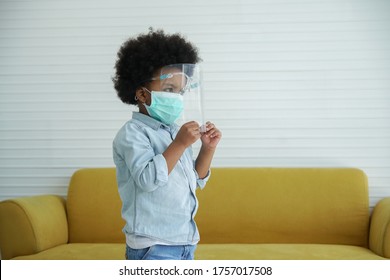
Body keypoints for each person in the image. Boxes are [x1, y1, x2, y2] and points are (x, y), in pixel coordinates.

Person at [112, 29, 222, 260]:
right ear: (142, 95)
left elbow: (196, 179)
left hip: (184, 241)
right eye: (169, 90)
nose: (178, 98)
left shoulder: (173, 131)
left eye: (180, 91)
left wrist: (207, 148)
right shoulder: (133, 133)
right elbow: (147, 179)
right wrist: (180, 144)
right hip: (152, 244)